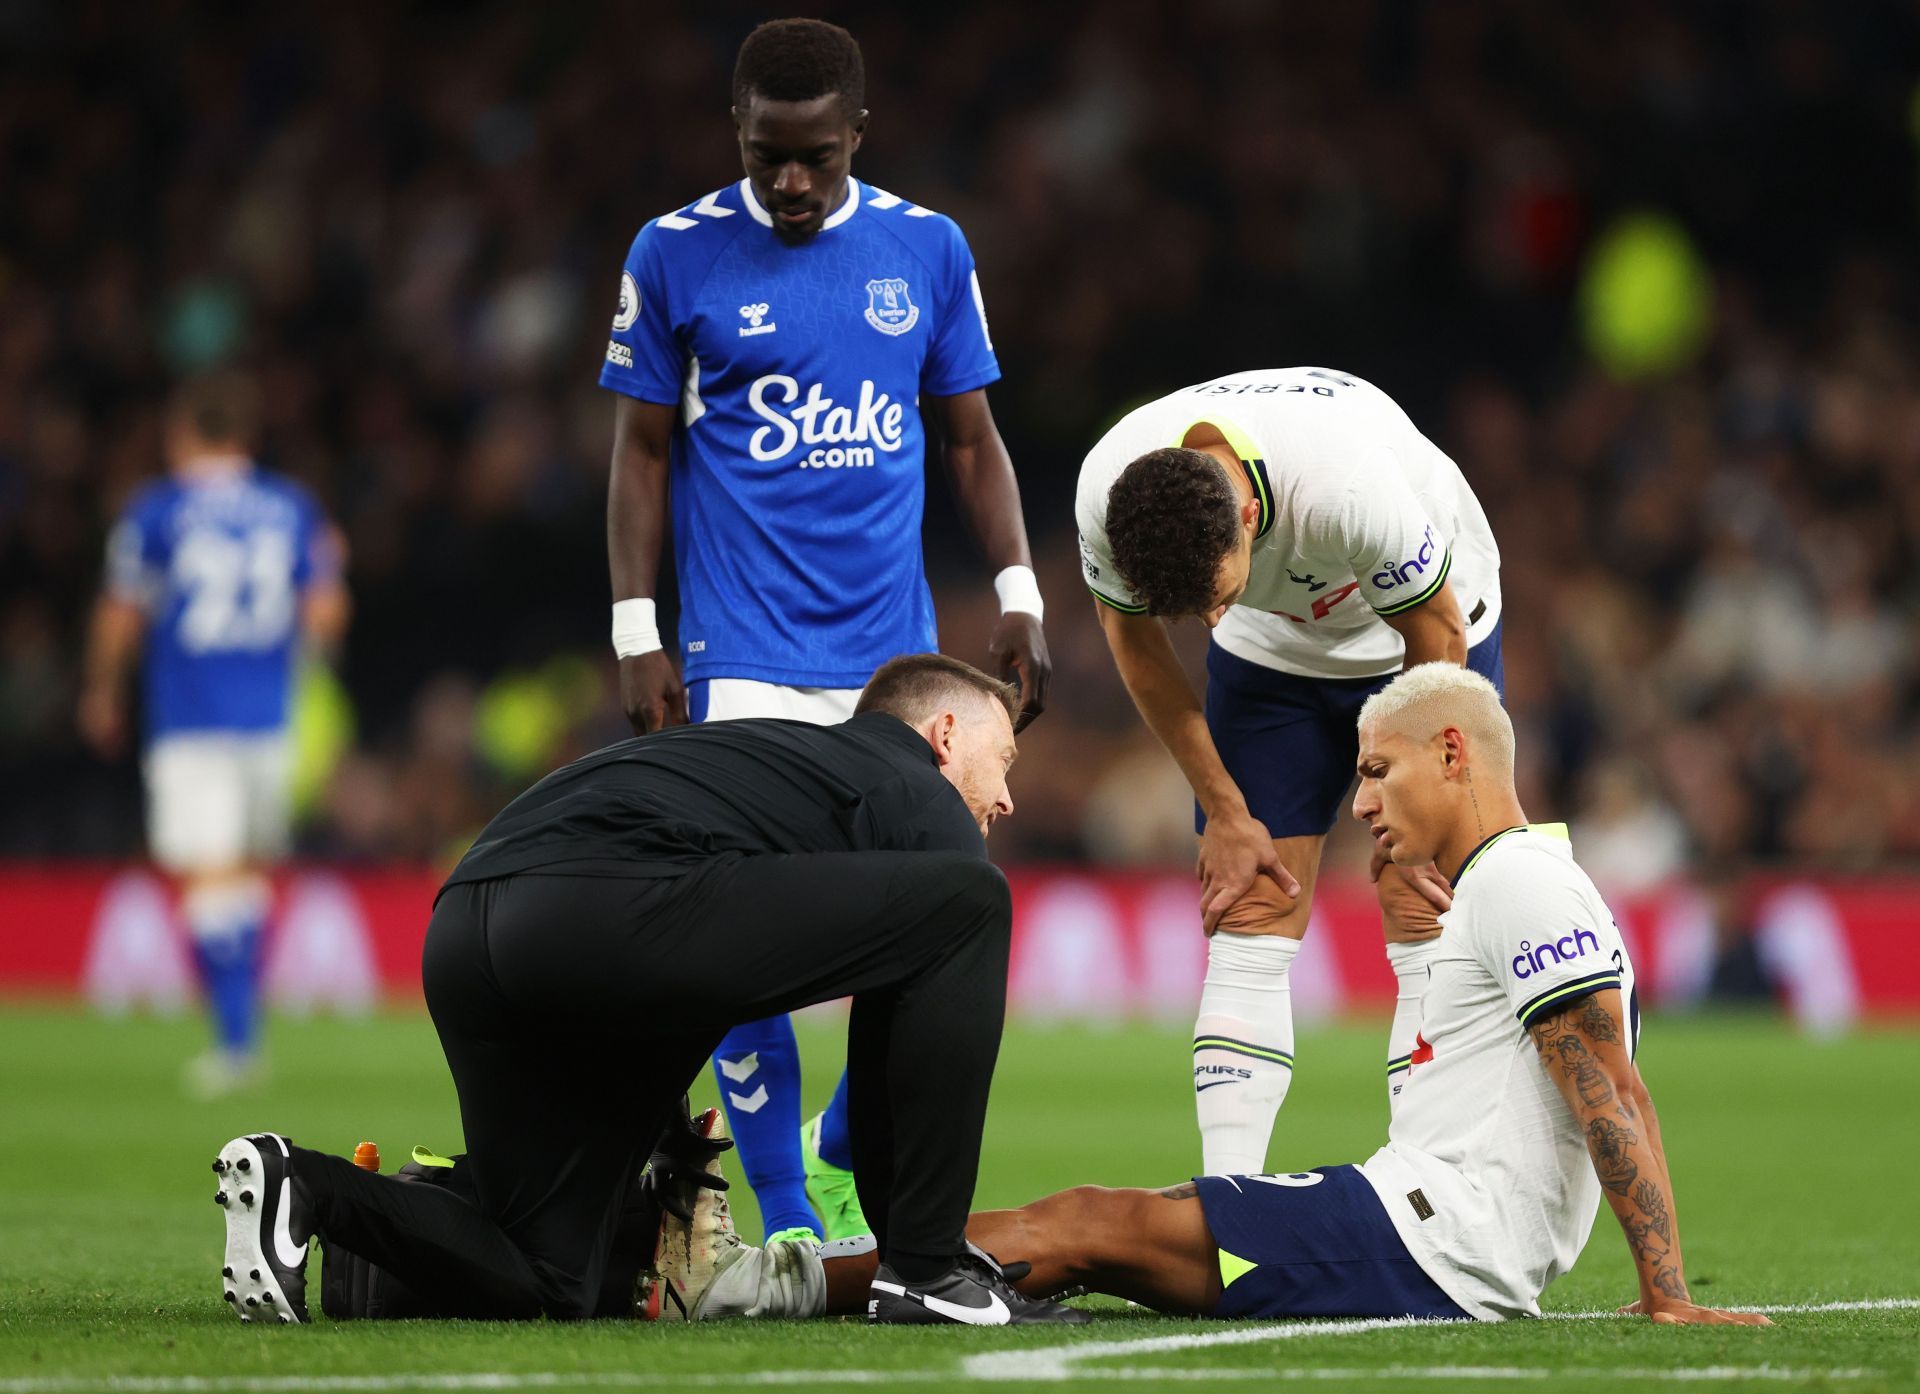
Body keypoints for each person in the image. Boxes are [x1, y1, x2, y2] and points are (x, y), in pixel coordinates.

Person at [655, 665, 1770, 1330]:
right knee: (1103, 1224)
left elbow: (1606, 1077)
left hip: (1437, 1242)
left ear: (1454, 751)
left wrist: (1664, 1289)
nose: (1361, 801)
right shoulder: (1486, 886)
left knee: (1093, 1224)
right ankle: (813, 1276)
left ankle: (757, 1283)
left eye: (1378, 772)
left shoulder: (1524, 877)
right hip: (1423, 1218)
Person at [209, 655, 1084, 1327]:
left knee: (553, 1274)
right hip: (601, 906)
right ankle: (929, 1277)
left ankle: (310, 1189)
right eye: (1001, 759)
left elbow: (842, 974)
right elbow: (925, 968)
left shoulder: (773, 773)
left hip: (471, 922)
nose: (1006, 798)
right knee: (973, 904)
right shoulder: (902, 775)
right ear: (942, 735)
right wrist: (920, 1255)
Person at [599, 16, 1051, 1249]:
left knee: (945, 909)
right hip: (739, 653)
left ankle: (842, 1149)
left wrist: (1019, 593)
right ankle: (791, 1216)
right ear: (737, 132)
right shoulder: (674, 252)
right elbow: (641, 453)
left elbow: (970, 439)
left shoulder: (928, 247)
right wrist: (640, 629)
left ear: (858, 132)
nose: (790, 183)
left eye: (814, 157)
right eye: (766, 156)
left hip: (894, 665)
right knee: (740, 933)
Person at [1074, 366, 1503, 1175]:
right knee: (1250, 902)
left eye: (1214, 594)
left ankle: (1430, 1184)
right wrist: (1224, 809)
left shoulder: (1346, 488)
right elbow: (1136, 646)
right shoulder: (1110, 489)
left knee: (1421, 906)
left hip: (1424, 634)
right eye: (1190, 610)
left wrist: (1397, 787)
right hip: (1271, 655)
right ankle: (1230, 1201)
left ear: (1245, 515)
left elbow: (1438, 638)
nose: (1207, 618)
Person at [79, 372, 348, 1097]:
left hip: (191, 720)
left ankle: (236, 1040)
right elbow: (326, 611)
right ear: (246, 436)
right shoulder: (290, 506)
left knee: (205, 873)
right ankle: (241, 1028)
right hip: (273, 718)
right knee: (246, 872)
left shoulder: (157, 509)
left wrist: (102, 687)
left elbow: (120, 609)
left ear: (181, 433)